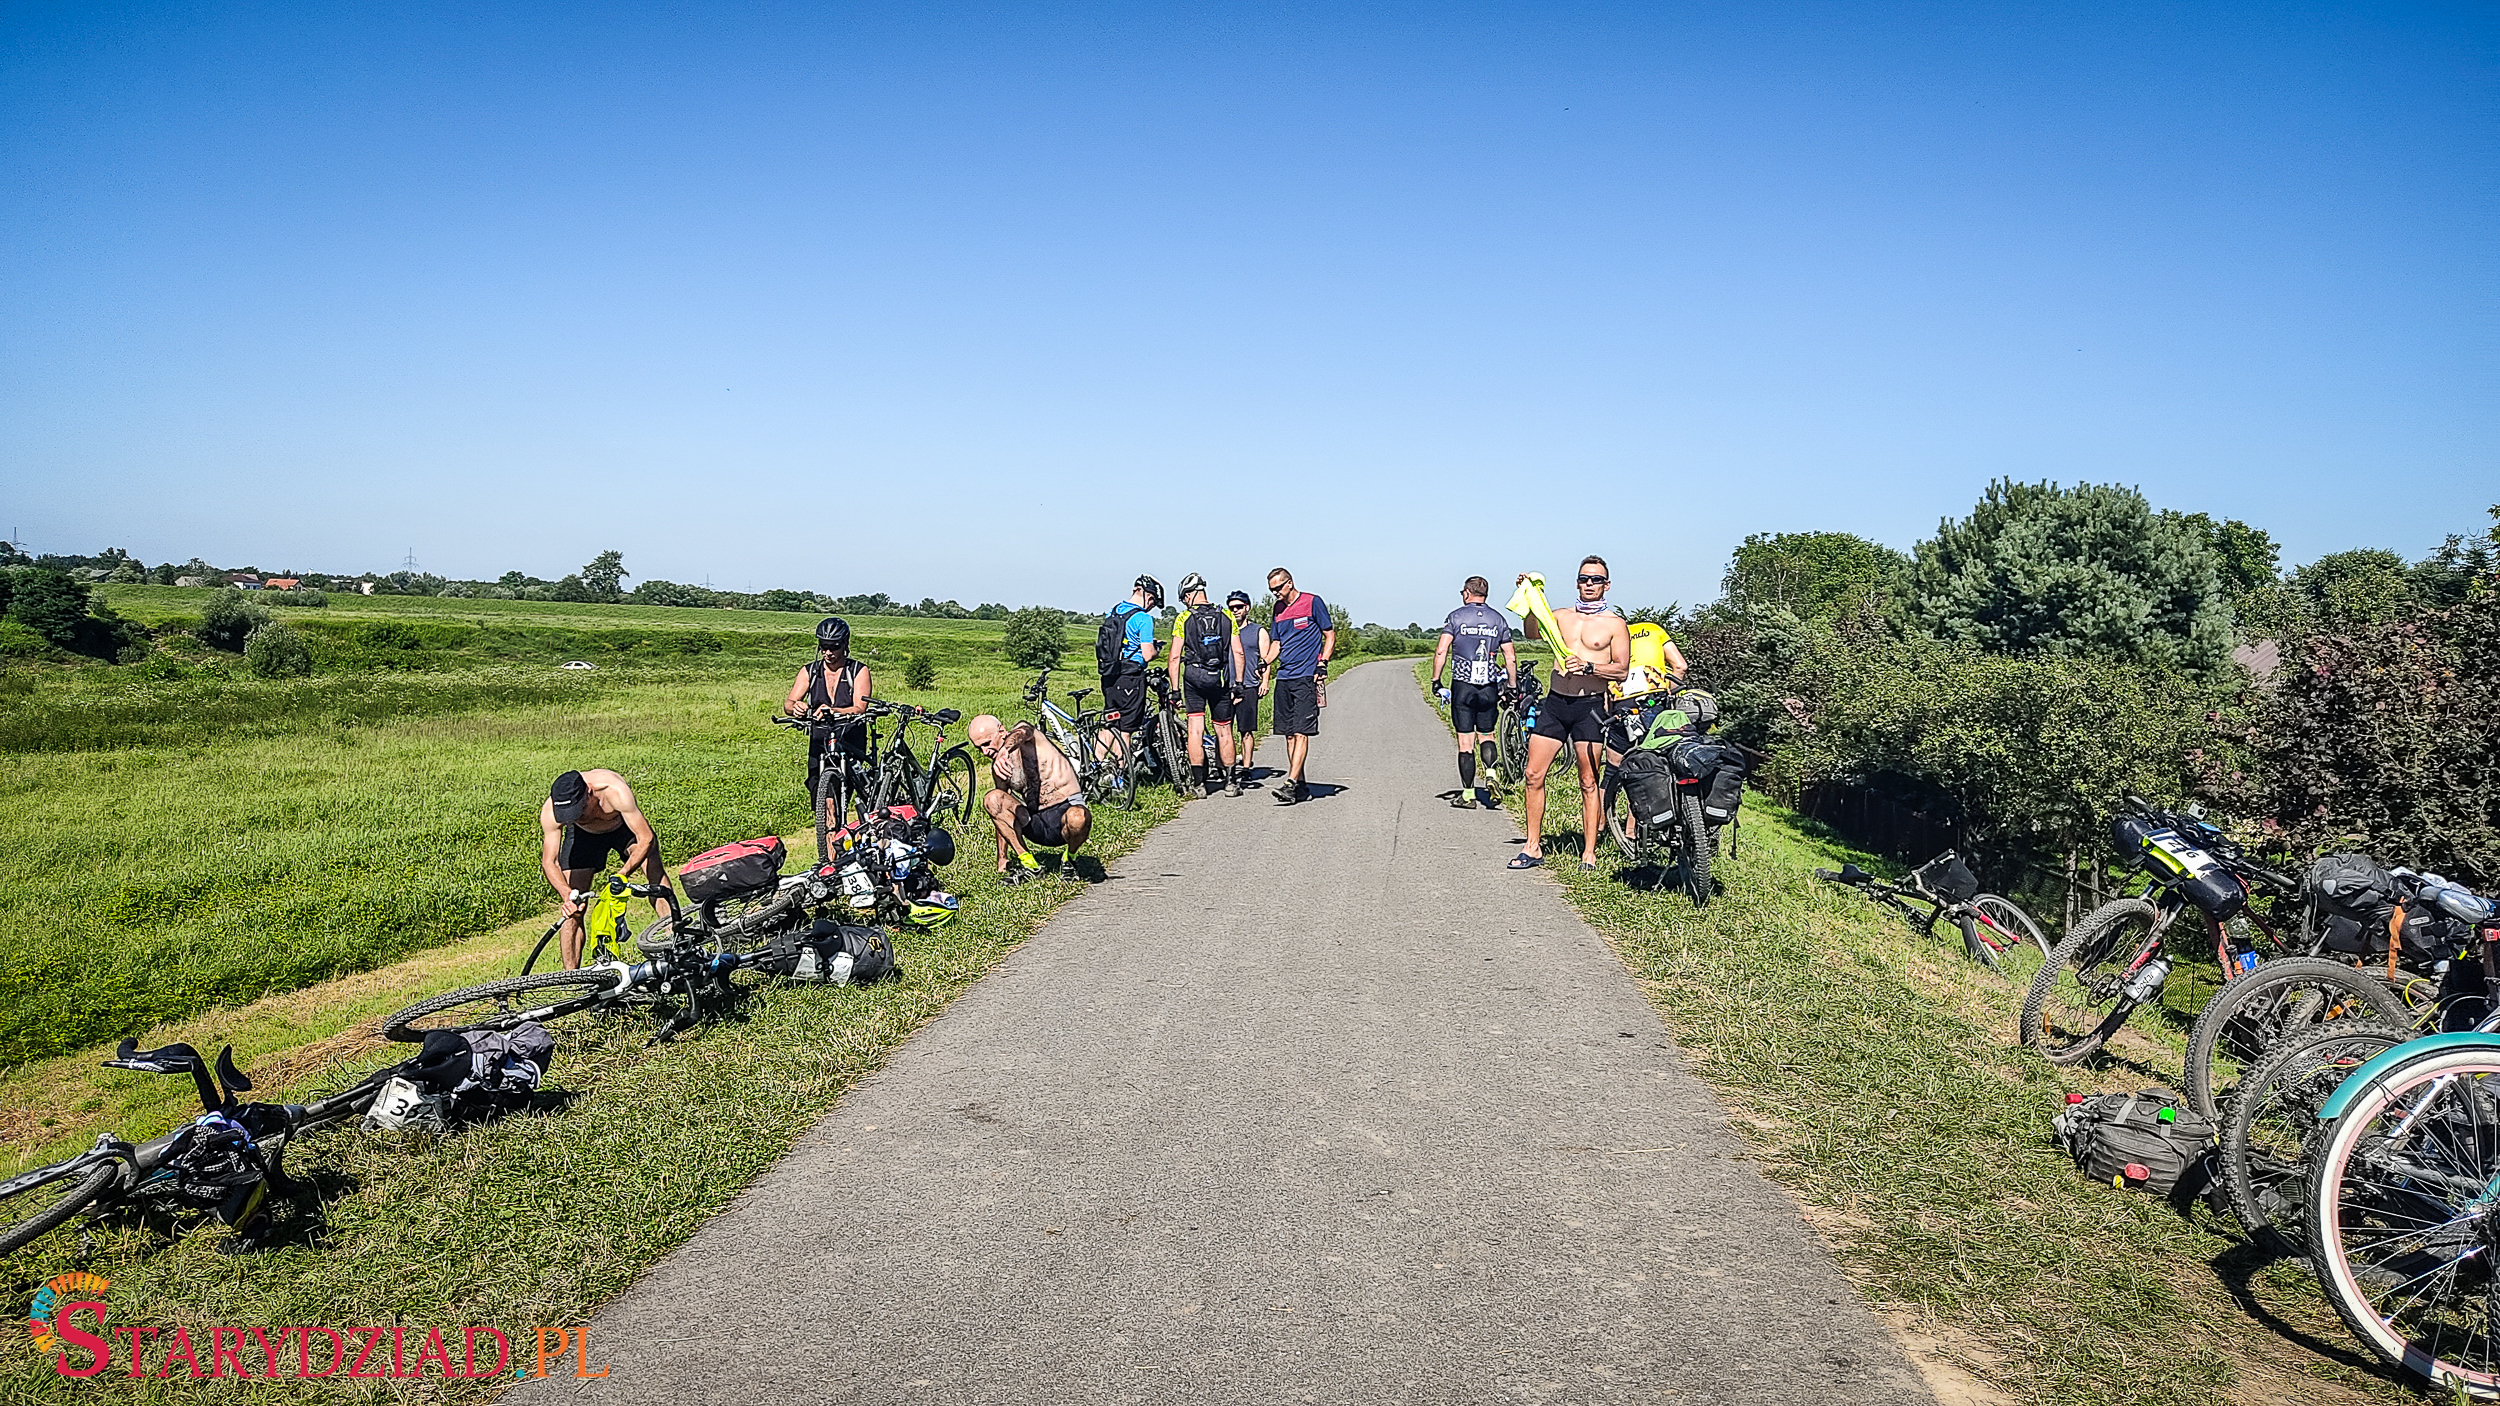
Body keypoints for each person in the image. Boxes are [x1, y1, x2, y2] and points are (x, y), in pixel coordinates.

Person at [1512, 556, 1629, 870]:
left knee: (1588, 781)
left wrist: (1590, 666)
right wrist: (1529, 595)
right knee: (1533, 775)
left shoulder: (1615, 625)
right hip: (1555, 704)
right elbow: (1533, 632)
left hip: (1588, 708)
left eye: (1596, 579)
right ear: (1577, 582)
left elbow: (1621, 670)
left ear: (1607, 585)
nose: (1589, 584)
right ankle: (1533, 847)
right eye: (1584, 578)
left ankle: (1588, 853)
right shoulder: (1560, 616)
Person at [538, 768, 674, 969]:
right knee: (574, 905)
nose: (578, 816)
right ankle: (571, 978)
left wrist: (623, 874)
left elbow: (645, 838)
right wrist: (566, 894)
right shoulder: (551, 810)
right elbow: (550, 861)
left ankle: (675, 938)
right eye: (570, 816)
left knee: (653, 869)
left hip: (621, 828)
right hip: (583, 837)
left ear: (589, 792)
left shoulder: (614, 790)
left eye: (580, 811)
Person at [968, 714, 1092, 885]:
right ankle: (1030, 865)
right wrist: (1002, 858)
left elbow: (1023, 731)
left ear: (1002, 731)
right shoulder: (1000, 767)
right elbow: (999, 813)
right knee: (992, 798)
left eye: (987, 744)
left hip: (1066, 814)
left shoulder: (1027, 736)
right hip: (1035, 822)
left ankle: (1070, 859)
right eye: (979, 748)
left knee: (1078, 817)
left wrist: (1005, 749)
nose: (984, 752)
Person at [1431, 576, 1517, 810]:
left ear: (1467, 593)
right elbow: (1510, 656)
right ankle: (1491, 773)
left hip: (1463, 686)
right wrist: (1511, 686)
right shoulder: (1498, 619)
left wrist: (1436, 680)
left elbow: (1441, 650)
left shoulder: (1456, 617)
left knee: (1465, 742)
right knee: (1487, 735)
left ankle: (1468, 795)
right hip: (1488, 686)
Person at [782, 617, 874, 816]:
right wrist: (795, 707)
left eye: (834, 647)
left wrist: (835, 711)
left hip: (850, 738)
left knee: (851, 793)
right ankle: (829, 843)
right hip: (820, 740)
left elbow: (860, 707)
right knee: (824, 801)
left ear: (845, 645)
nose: (828, 652)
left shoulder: (858, 671)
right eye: (824, 646)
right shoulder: (810, 671)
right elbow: (788, 703)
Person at [1259, 566, 1332, 805]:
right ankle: (1299, 785)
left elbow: (1329, 634)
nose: (1276, 594)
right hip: (1284, 677)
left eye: (1278, 588)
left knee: (1301, 731)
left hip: (1306, 676)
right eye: (1272, 590)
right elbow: (1277, 642)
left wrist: (1323, 663)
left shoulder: (1312, 602)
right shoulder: (1278, 609)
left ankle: (1290, 782)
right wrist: (1265, 661)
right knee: (1289, 734)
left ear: (1289, 583)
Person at [1166, 573, 1242, 797]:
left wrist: (1175, 690)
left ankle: (1199, 785)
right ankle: (1230, 783)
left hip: (1194, 679)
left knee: (1195, 731)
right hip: (1219, 679)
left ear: (1189, 595)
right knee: (1224, 730)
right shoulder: (1227, 615)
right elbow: (1237, 651)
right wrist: (1237, 683)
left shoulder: (1183, 618)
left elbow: (1174, 657)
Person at [1099, 575, 1161, 764]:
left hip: (1109, 674)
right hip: (1131, 677)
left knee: (1110, 723)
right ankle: (1121, 775)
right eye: (1153, 603)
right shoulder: (1144, 618)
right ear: (1149, 597)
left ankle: (1095, 768)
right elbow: (1147, 654)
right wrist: (1157, 649)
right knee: (1126, 728)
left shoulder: (1113, 611)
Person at [1225, 590, 1266, 791]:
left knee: (1246, 729)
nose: (1235, 611)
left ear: (1247, 608)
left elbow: (1265, 659)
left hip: (1249, 684)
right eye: (1231, 608)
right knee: (1224, 728)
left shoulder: (1258, 631)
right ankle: (1227, 765)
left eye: (1239, 607)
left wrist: (1265, 681)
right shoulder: (1225, 630)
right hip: (1226, 685)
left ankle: (1247, 766)